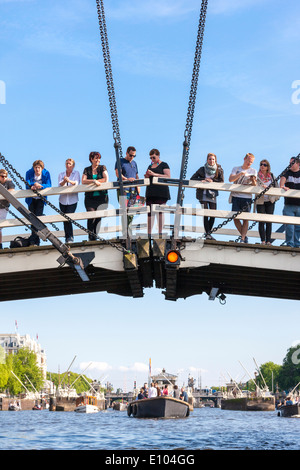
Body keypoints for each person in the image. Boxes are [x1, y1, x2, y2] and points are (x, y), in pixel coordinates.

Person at [190, 153, 224, 239]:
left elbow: (221, 181)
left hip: (212, 194)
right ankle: (208, 233)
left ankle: (208, 232)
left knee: (213, 214)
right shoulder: (202, 169)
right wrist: (203, 179)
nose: (211, 161)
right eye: (210, 159)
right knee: (205, 213)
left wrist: (212, 181)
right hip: (203, 193)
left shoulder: (219, 170)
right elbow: (192, 178)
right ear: (207, 160)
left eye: (213, 159)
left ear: (215, 160)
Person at [229, 153, 257, 243]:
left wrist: (252, 179)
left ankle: (243, 238)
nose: (249, 163)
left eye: (251, 162)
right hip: (236, 196)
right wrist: (240, 174)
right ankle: (244, 236)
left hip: (247, 197)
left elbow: (254, 185)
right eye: (248, 161)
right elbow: (230, 179)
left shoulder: (253, 171)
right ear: (244, 159)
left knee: (245, 218)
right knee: (235, 217)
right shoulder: (236, 169)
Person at [82, 151, 109, 241]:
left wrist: (98, 181)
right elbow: (83, 181)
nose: (98, 160)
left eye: (99, 158)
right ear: (91, 159)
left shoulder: (102, 168)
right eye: (96, 158)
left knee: (98, 217)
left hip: (101, 197)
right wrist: (93, 181)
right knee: (91, 215)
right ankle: (90, 236)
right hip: (90, 198)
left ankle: (95, 236)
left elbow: (106, 179)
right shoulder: (87, 169)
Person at [25, 160, 52, 246]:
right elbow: (27, 183)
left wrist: (41, 186)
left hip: (40, 198)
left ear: (42, 168)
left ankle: (36, 240)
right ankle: (33, 241)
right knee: (32, 218)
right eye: (35, 167)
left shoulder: (46, 173)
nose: (37, 169)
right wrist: (33, 185)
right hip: (31, 199)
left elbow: (49, 184)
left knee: (38, 217)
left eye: (38, 168)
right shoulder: (29, 173)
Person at [145, 149, 171, 237]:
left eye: (153, 157)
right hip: (150, 191)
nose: (152, 159)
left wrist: (154, 174)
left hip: (161, 191)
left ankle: (160, 232)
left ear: (158, 155)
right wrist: (147, 175)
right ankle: (149, 233)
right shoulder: (150, 166)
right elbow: (147, 177)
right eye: (150, 158)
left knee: (160, 211)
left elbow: (168, 176)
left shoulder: (164, 164)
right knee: (149, 212)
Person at [115, 146, 139, 231]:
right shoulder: (120, 161)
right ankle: (125, 232)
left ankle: (129, 231)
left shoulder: (134, 163)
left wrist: (138, 187)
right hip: (123, 190)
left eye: (134, 156)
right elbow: (118, 174)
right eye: (130, 155)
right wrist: (127, 179)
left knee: (132, 212)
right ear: (126, 153)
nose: (132, 157)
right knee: (125, 211)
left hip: (133, 190)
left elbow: (136, 175)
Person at [256, 159, 279, 245]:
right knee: (261, 221)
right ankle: (263, 240)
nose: (262, 166)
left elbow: (277, 187)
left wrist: (275, 198)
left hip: (270, 200)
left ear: (267, 167)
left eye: (264, 165)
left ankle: (268, 241)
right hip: (260, 200)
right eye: (261, 164)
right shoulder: (256, 176)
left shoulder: (272, 176)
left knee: (269, 221)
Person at [58, 158, 81, 243]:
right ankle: (67, 237)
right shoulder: (61, 174)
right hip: (63, 200)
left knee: (68, 217)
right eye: (67, 163)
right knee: (64, 219)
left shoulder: (76, 173)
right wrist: (64, 181)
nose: (68, 165)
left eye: (70, 164)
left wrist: (69, 181)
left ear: (73, 165)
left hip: (72, 200)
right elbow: (59, 185)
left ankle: (70, 237)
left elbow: (77, 183)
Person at [280, 157, 300, 248]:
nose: (290, 165)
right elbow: (283, 179)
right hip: (289, 204)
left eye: (292, 163)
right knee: (289, 227)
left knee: (298, 227)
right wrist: (282, 186)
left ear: (298, 164)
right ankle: (290, 244)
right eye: (290, 163)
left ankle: (296, 244)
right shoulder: (287, 172)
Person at [0, 169, 15, 249]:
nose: (4, 178)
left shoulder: (9, 182)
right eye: (2, 176)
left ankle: (0, 245)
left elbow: (12, 189)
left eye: (5, 176)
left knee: (0, 226)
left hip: (3, 207)